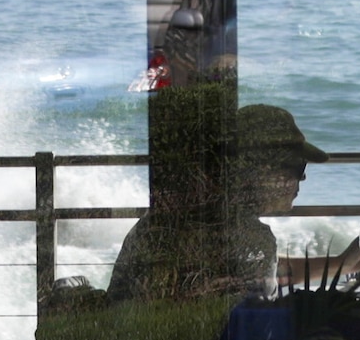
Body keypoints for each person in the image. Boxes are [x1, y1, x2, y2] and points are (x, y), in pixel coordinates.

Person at [106, 99, 326, 301]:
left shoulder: (178, 218)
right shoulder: (249, 238)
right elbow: (255, 318)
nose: (303, 178)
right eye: (298, 168)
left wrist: (339, 262)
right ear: (264, 171)